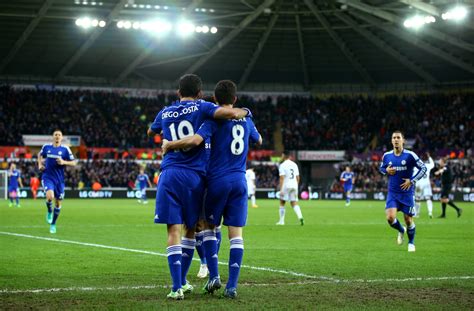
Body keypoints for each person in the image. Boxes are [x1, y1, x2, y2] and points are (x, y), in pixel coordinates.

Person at [147, 74, 252, 300]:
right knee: (194, 229)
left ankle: (178, 286)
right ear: (200, 94)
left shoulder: (165, 111)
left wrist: (167, 139)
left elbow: (151, 131)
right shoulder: (203, 107)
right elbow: (231, 113)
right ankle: (211, 274)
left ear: (178, 92)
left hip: (168, 174)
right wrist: (246, 112)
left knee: (173, 230)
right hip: (195, 177)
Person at [379, 130, 426, 252]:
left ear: (403, 140)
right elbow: (381, 168)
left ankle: (411, 242)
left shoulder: (410, 155)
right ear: (391, 140)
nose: (396, 140)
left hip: (407, 193)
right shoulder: (387, 156)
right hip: (393, 193)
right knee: (390, 218)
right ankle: (401, 230)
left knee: (408, 220)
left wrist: (412, 180)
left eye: (398, 137)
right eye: (394, 137)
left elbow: (423, 168)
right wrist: (386, 171)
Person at [38, 130, 77, 234]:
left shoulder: (65, 149)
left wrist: (64, 162)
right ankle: (49, 211)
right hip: (48, 176)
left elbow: (74, 162)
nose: (57, 136)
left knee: (58, 202)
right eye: (55, 135)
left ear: (62, 137)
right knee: (50, 196)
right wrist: (39, 165)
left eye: (59, 135)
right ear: (53, 137)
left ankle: (53, 224)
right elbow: (40, 155)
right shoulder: (46, 147)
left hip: (59, 180)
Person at [276, 151, 304, 226]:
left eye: (282, 155)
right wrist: (296, 185)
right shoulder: (294, 164)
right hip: (294, 185)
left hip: (286, 185)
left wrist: (281, 189)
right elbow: (298, 177)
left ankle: (281, 221)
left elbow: (282, 178)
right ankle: (300, 217)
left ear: (284, 156)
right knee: (294, 202)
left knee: (282, 202)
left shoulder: (282, 165)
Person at [413, 153, 435, 218]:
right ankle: (430, 212)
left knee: (417, 199)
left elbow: (412, 175)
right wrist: (429, 157)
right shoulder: (427, 165)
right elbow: (433, 164)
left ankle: (417, 214)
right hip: (427, 184)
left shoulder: (415, 167)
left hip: (418, 185)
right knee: (428, 199)